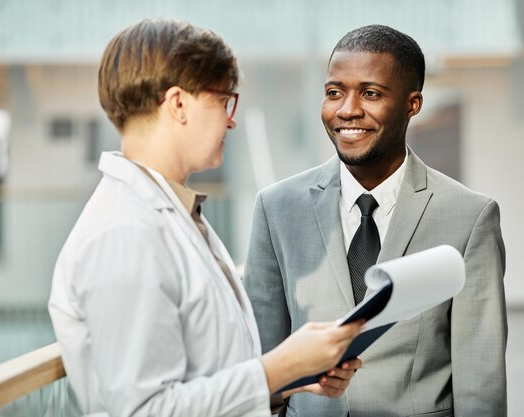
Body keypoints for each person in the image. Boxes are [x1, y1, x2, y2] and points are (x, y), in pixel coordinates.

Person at [48, 19, 364, 417]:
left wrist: (290, 379)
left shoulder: (171, 213)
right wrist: (277, 368)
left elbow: (208, 374)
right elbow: (145, 410)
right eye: (223, 101)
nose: (231, 119)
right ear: (178, 103)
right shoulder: (124, 233)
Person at [244, 24, 507, 417]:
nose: (347, 109)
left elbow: (480, 381)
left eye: (370, 93)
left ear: (412, 103)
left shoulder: (469, 217)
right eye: (334, 92)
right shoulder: (276, 208)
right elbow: (261, 362)